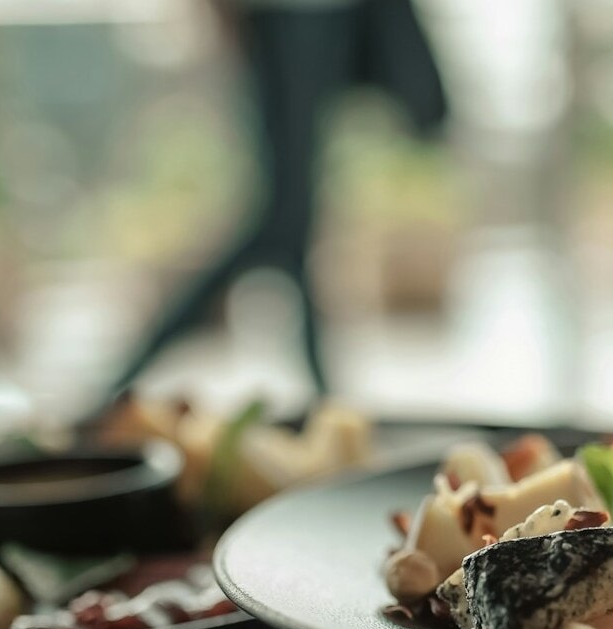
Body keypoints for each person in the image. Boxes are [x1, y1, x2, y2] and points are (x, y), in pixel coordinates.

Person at [104, 0, 448, 402]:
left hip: (324, 14)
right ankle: (129, 372)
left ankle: (324, 394)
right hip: (281, 15)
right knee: (284, 217)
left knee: (293, 217)